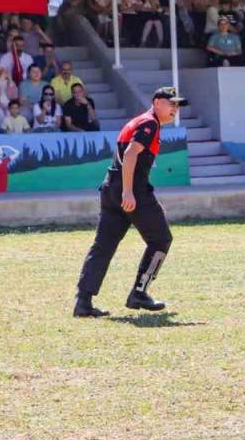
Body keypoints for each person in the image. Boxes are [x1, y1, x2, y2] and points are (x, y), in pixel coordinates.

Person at [73, 86, 189, 317]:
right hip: (132, 192)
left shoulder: (139, 121)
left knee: (103, 246)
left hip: (111, 189)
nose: (175, 108)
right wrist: (128, 192)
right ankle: (139, 292)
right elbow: (130, 155)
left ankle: (83, 302)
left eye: (177, 105)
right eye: (171, 103)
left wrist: (122, 191)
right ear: (157, 102)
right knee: (161, 239)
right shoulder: (150, 124)